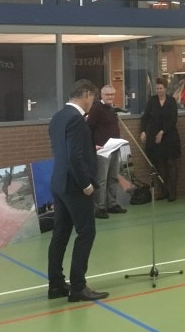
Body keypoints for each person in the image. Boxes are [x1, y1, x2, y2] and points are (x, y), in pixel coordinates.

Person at [47, 79, 109, 302]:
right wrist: (86, 185)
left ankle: (55, 284)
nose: (93, 102)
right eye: (93, 97)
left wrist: (88, 149)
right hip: (75, 186)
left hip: (59, 183)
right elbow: (74, 156)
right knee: (86, 232)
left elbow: (65, 150)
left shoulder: (58, 117)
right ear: (86, 94)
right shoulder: (77, 120)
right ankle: (78, 287)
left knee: (60, 234)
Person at [86, 84, 126, 218]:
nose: (110, 97)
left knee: (113, 177)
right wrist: (93, 145)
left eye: (112, 94)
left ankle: (112, 204)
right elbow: (89, 127)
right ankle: (100, 207)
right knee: (101, 179)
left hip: (115, 147)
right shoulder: (96, 109)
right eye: (107, 94)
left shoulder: (112, 109)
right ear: (102, 95)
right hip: (103, 150)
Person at [139, 77, 181, 201]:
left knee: (171, 163)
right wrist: (143, 131)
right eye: (157, 88)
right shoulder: (152, 101)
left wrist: (162, 132)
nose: (159, 90)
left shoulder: (171, 101)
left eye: (161, 88)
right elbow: (145, 117)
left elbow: (173, 119)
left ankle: (173, 191)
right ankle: (164, 190)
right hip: (155, 137)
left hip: (169, 136)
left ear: (166, 88)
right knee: (159, 164)